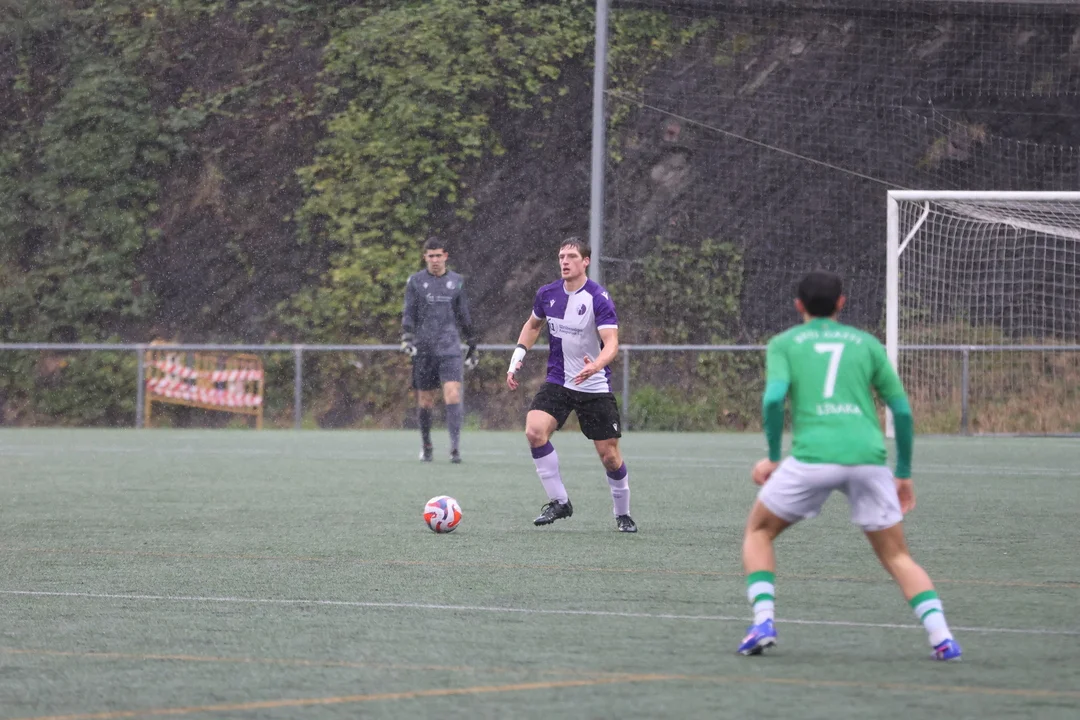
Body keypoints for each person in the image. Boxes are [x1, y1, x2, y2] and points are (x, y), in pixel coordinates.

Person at [736, 270, 961, 660]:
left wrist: (773, 456)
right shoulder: (867, 343)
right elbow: (902, 411)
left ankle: (763, 622)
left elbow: (773, 400)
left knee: (758, 531)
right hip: (868, 458)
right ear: (842, 303)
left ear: (798, 305)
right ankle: (942, 638)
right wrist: (904, 473)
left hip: (812, 458)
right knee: (897, 556)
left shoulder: (784, 343)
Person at [505, 237, 637, 533]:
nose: (565, 261)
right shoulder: (547, 293)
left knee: (609, 456)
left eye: (572, 256)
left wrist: (596, 365)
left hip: (594, 386)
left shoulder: (597, 298)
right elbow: (532, 325)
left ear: (585, 261)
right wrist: (517, 356)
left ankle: (623, 513)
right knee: (534, 431)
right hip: (559, 381)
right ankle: (559, 501)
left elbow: (611, 343)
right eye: (561, 256)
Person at [401, 237, 478, 463]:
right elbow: (409, 312)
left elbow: (463, 314)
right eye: (431, 256)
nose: (435, 260)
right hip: (424, 349)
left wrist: (472, 343)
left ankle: (454, 448)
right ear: (425, 257)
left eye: (438, 255)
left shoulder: (457, 281)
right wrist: (407, 336)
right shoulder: (415, 282)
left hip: (449, 347)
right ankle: (426, 446)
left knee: (452, 393)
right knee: (425, 400)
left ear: (445, 256)